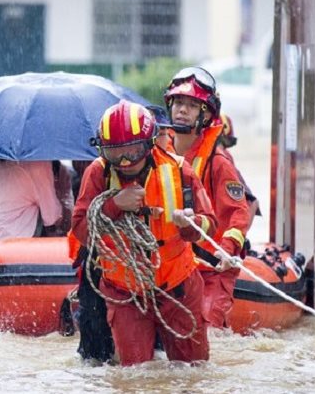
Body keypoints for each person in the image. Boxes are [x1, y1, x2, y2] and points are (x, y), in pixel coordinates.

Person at [71, 100, 216, 366]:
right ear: (104, 150)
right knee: (135, 375)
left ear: (149, 144)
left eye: (133, 151)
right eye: (116, 153)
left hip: (178, 288)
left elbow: (210, 224)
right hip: (125, 292)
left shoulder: (179, 171)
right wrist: (114, 205)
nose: (125, 161)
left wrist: (191, 226)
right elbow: (81, 228)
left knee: (194, 371)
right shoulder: (98, 173)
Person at [164, 67, 255, 329]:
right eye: (178, 102)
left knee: (204, 331)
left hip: (212, 269)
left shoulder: (218, 161)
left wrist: (225, 252)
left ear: (205, 115)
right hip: (172, 267)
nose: (182, 110)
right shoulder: (158, 154)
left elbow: (239, 215)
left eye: (192, 106)